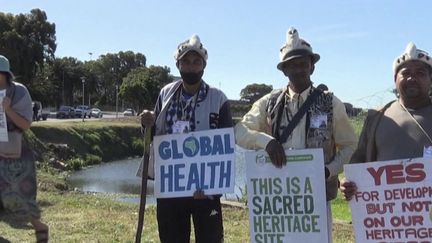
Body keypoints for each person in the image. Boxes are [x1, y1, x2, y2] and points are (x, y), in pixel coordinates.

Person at [234, 27, 357, 242]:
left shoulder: (330, 103)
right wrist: (266, 142)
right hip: (276, 198)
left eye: (303, 64)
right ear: (284, 70)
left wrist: (328, 171)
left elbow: (350, 145)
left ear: (312, 66)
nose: (299, 70)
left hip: (317, 197)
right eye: (292, 65)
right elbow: (240, 132)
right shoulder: (269, 102)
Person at [140, 34, 232, 243]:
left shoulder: (219, 99)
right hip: (172, 188)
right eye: (186, 62)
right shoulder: (165, 94)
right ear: (178, 64)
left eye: (196, 62)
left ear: (204, 65)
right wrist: (146, 123)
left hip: (205, 191)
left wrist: (211, 187)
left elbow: (226, 145)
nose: (191, 67)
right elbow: (153, 136)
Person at [340, 42, 432, 201]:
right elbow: (358, 164)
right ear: (395, 79)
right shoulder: (377, 117)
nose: (412, 78)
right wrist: (348, 184)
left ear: (430, 79)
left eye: (420, 73)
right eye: (405, 73)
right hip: (389, 217)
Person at [0, 55, 49, 242]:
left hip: (16, 151)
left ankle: (39, 227)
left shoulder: (19, 92)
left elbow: (26, 124)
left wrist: (8, 110)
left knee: (23, 194)